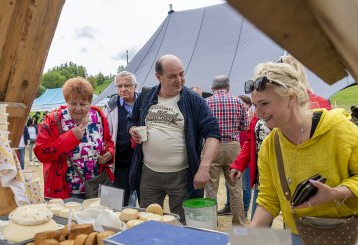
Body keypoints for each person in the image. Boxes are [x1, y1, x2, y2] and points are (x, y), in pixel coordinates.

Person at [246, 61, 358, 245]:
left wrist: (336, 193)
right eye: (255, 105)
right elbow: (268, 199)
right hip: (300, 239)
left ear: (291, 98)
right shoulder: (270, 146)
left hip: (357, 240)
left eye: (264, 104)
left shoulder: (342, 131)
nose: (258, 113)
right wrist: (244, 243)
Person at [127, 54, 220, 222]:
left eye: (181, 74)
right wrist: (132, 129)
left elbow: (213, 132)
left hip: (182, 175)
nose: (179, 79)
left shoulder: (194, 101)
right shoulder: (146, 96)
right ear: (158, 76)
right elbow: (131, 120)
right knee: (148, 220)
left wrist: (204, 168)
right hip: (149, 173)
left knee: (185, 222)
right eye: (172, 76)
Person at [34, 77, 115, 199]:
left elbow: (108, 142)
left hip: (96, 187)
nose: (78, 108)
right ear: (66, 101)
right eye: (72, 103)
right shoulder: (53, 121)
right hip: (66, 191)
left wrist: (109, 153)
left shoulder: (98, 116)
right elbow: (41, 153)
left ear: (90, 102)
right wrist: (71, 137)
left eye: (83, 104)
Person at [204, 76, 249, 224]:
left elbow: (201, 127)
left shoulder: (206, 102)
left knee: (211, 188)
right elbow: (244, 126)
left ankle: (211, 223)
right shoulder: (238, 102)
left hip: (212, 146)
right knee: (235, 189)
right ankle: (239, 224)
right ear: (228, 87)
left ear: (212, 89)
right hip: (232, 147)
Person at [104, 71, 139, 205]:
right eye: (119, 86)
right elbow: (107, 135)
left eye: (127, 85)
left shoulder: (144, 102)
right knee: (118, 203)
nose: (123, 89)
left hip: (142, 163)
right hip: (120, 165)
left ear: (135, 86)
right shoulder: (111, 107)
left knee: (143, 202)